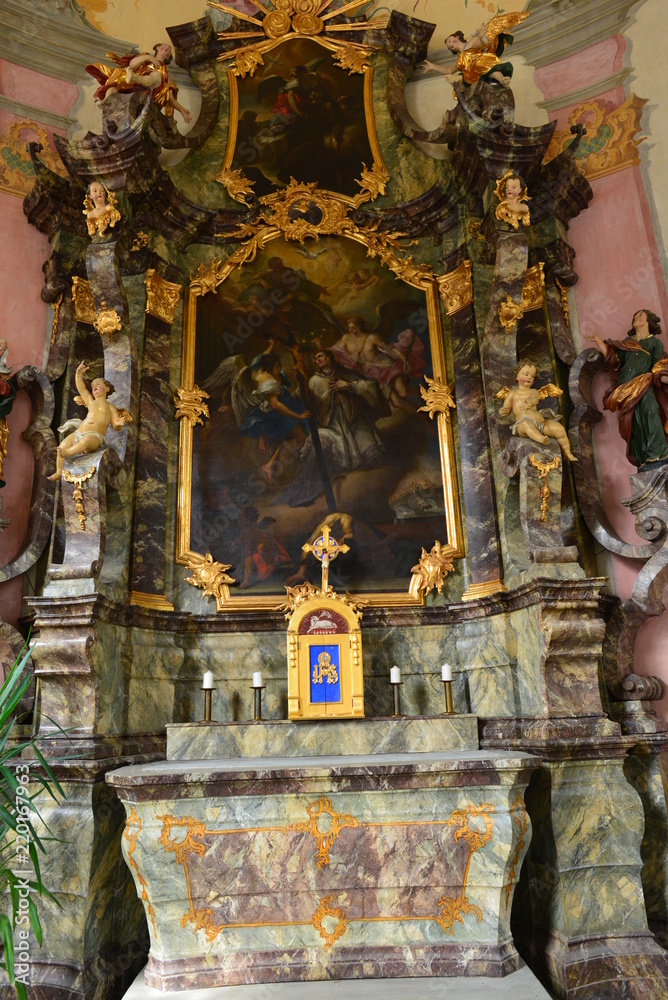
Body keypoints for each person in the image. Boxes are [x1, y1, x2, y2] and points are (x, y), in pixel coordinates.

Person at [589, 309, 668, 470]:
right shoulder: (626, 342)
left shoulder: (654, 343)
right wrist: (598, 341)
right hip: (626, 388)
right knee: (635, 422)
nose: (636, 317)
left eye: (641, 315)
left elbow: (658, 368)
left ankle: (660, 454)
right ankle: (644, 457)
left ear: (649, 321)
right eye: (635, 315)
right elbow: (615, 363)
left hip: (644, 384)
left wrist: (665, 378)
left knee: (651, 410)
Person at [303, 349, 388, 473]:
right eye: (315, 359)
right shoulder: (314, 381)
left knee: (374, 457)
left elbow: (370, 385)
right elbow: (312, 403)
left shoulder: (343, 372)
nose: (318, 360)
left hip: (353, 418)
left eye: (320, 356)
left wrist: (349, 385)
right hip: (332, 423)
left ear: (329, 357)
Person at [48, 361, 132, 481]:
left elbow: (115, 423)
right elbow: (82, 389)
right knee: (63, 444)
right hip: (79, 432)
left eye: (98, 384)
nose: (94, 387)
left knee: (85, 441)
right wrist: (78, 374)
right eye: (92, 387)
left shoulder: (110, 407)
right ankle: (58, 472)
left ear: (107, 388)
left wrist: (118, 424)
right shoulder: (90, 402)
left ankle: (67, 453)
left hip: (95, 437)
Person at [329, 316, 424, 413]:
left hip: (387, 368)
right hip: (373, 375)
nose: (351, 330)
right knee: (397, 402)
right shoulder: (346, 338)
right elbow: (336, 353)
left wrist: (405, 361)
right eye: (349, 328)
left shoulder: (372, 338)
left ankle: (426, 394)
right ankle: (424, 417)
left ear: (360, 326)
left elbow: (391, 349)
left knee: (403, 392)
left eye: (353, 328)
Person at [86, 43, 192, 123]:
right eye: (164, 46)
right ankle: (104, 101)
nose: (167, 49)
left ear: (168, 58)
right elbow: (131, 66)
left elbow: (169, 96)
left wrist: (182, 110)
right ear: (157, 48)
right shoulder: (145, 57)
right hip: (131, 86)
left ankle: (133, 77)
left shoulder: (165, 73)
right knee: (115, 87)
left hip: (147, 92)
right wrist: (148, 57)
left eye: (169, 50)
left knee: (157, 76)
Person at [421, 12, 529, 89]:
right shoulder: (460, 59)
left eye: (449, 41)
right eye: (448, 46)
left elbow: (484, 43)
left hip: (482, 63)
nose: (449, 45)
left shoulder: (471, 42)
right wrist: (432, 67)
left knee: (484, 65)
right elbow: (448, 69)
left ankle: (503, 80)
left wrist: (482, 36)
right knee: (460, 78)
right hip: (473, 76)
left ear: (456, 37)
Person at [497, 361, 577, 461]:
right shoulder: (512, 394)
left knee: (559, 429)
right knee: (526, 424)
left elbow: (535, 398)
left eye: (532, 376)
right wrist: (503, 411)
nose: (529, 377)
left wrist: (530, 402)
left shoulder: (533, 391)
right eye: (526, 374)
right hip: (522, 425)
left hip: (541, 424)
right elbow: (507, 409)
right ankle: (541, 439)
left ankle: (567, 453)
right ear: (517, 376)